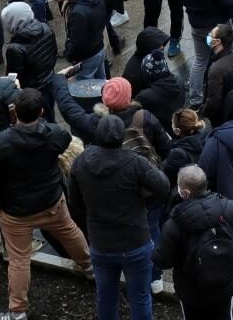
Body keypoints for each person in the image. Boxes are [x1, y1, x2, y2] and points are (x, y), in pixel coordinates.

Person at [67, 113, 172, 320]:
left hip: (101, 243)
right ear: (122, 137)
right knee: (140, 297)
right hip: (135, 242)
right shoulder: (136, 162)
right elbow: (163, 186)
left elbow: (75, 203)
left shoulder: (81, 162)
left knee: (105, 297)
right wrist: (145, 203)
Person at [154, 166, 233, 320]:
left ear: (185, 193)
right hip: (224, 286)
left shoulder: (174, 224)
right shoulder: (229, 207)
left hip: (191, 291)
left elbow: (162, 260)